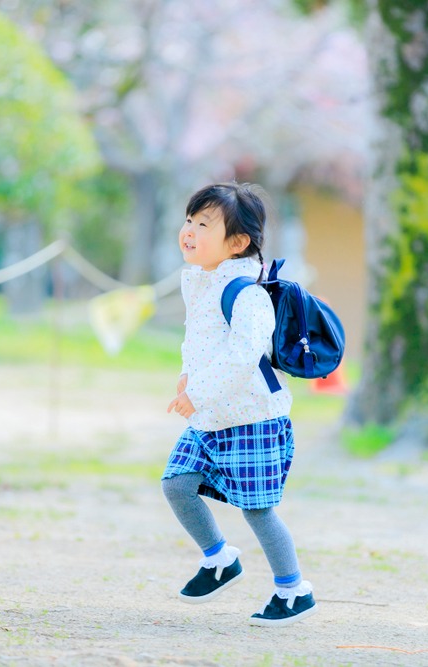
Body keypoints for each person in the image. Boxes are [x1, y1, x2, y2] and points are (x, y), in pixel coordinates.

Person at [162, 182, 317, 627]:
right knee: (176, 485)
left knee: (257, 509)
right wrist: (187, 376)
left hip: (252, 419)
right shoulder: (203, 281)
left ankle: (293, 590)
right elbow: (204, 342)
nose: (189, 231)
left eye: (203, 224)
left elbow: (242, 355)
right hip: (212, 417)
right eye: (189, 221)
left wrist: (198, 392)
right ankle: (220, 558)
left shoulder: (246, 294)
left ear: (237, 243)